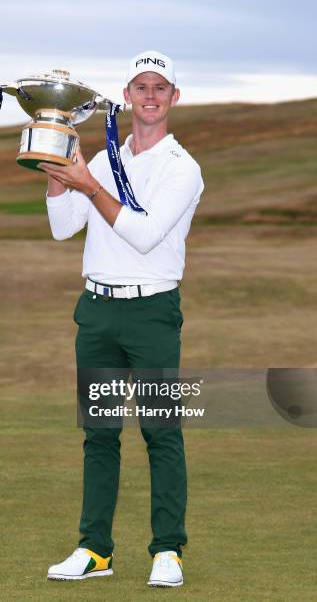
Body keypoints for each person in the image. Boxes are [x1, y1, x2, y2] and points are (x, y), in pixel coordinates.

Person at [40, 50, 204, 588]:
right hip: (98, 313)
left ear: (174, 97)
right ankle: (95, 549)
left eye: (161, 87)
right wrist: (59, 177)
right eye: (141, 87)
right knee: (100, 435)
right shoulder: (109, 158)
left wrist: (88, 184)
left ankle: (168, 551)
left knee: (161, 431)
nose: (150, 96)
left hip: (152, 312)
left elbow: (142, 233)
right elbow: (65, 229)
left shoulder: (183, 168)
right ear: (127, 96)